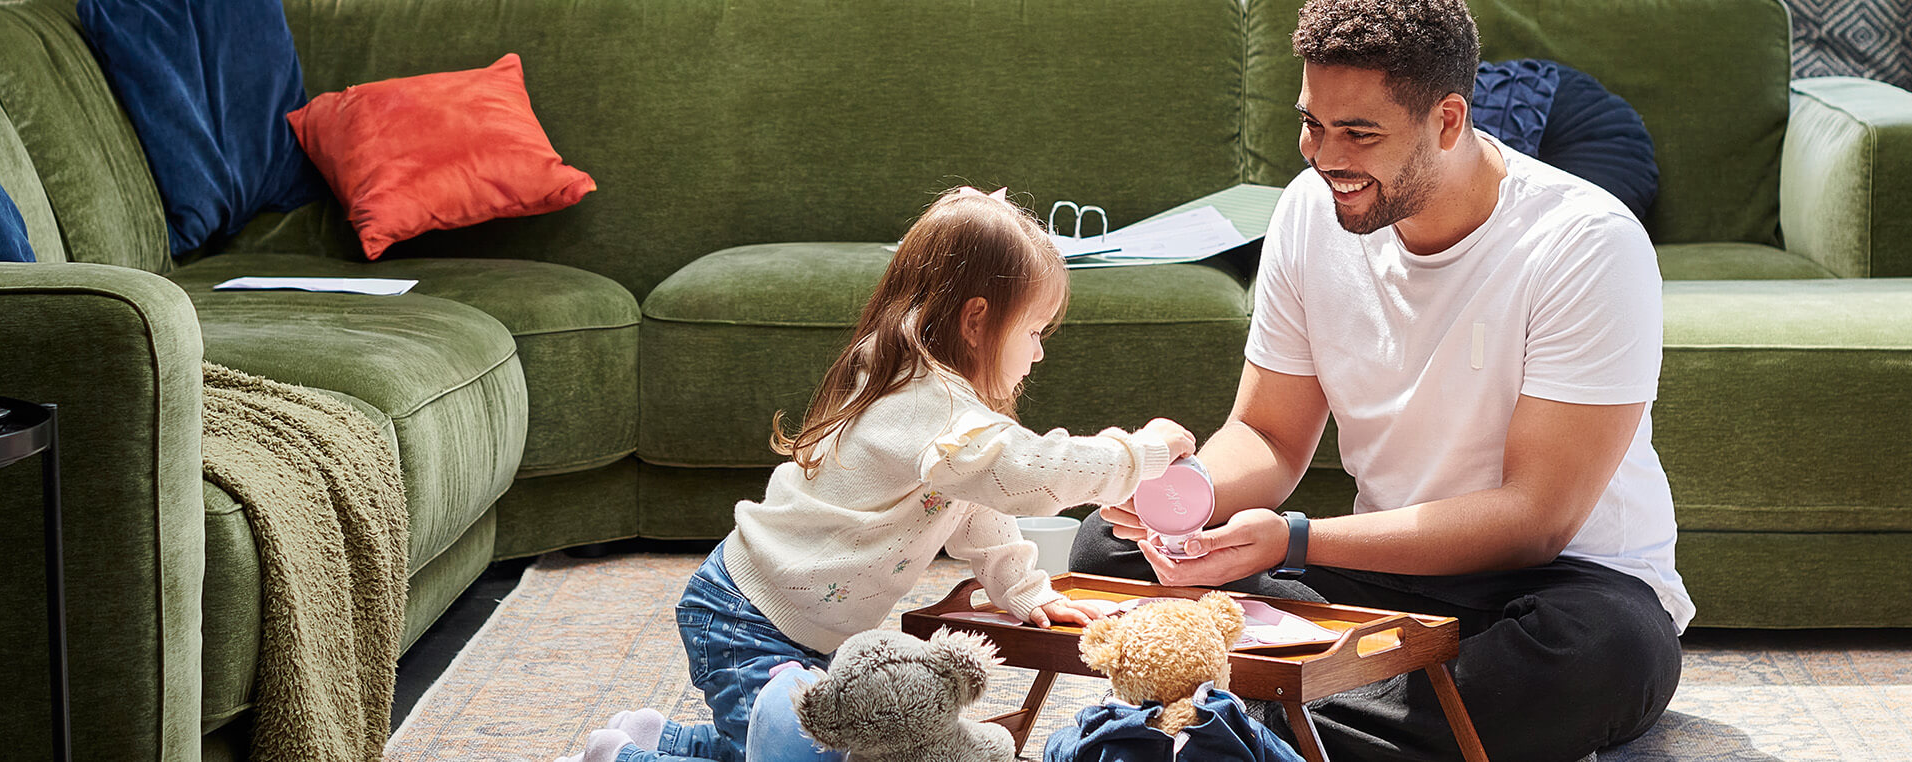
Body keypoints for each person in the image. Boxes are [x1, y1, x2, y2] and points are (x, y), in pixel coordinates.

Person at [1068, 1, 1687, 759]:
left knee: (1601, 654)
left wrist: (1293, 538)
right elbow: (1267, 434)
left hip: (1555, 586)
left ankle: (1236, 704)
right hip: (1385, 580)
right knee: (1112, 546)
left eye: (1359, 132)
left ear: (1449, 121)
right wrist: (1173, 496)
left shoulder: (1587, 242)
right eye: (1311, 124)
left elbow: (1536, 519)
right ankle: (1315, 710)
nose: (1325, 157)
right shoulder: (1310, 211)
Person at [558, 187, 1199, 762]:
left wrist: (1023, 589)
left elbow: (979, 509)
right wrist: (1137, 455)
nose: (1037, 351)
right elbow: (1026, 475)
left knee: (785, 740)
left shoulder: (936, 402)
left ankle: (656, 737)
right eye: (1033, 330)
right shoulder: (929, 404)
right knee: (799, 755)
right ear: (975, 321)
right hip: (748, 615)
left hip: (805, 625)